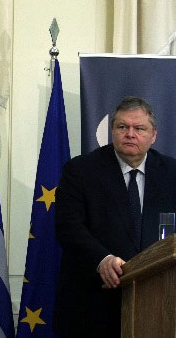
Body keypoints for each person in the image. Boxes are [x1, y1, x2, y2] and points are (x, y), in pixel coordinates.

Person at [53, 96, 176, 338]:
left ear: (153, 135)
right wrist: (102, 259)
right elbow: (68, 227)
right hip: (93, 303)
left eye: (139, 128)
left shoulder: (172, 173)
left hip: (159, 303)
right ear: (112, 131)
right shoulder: (80, 170)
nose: (130, 134)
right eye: (122, 127)